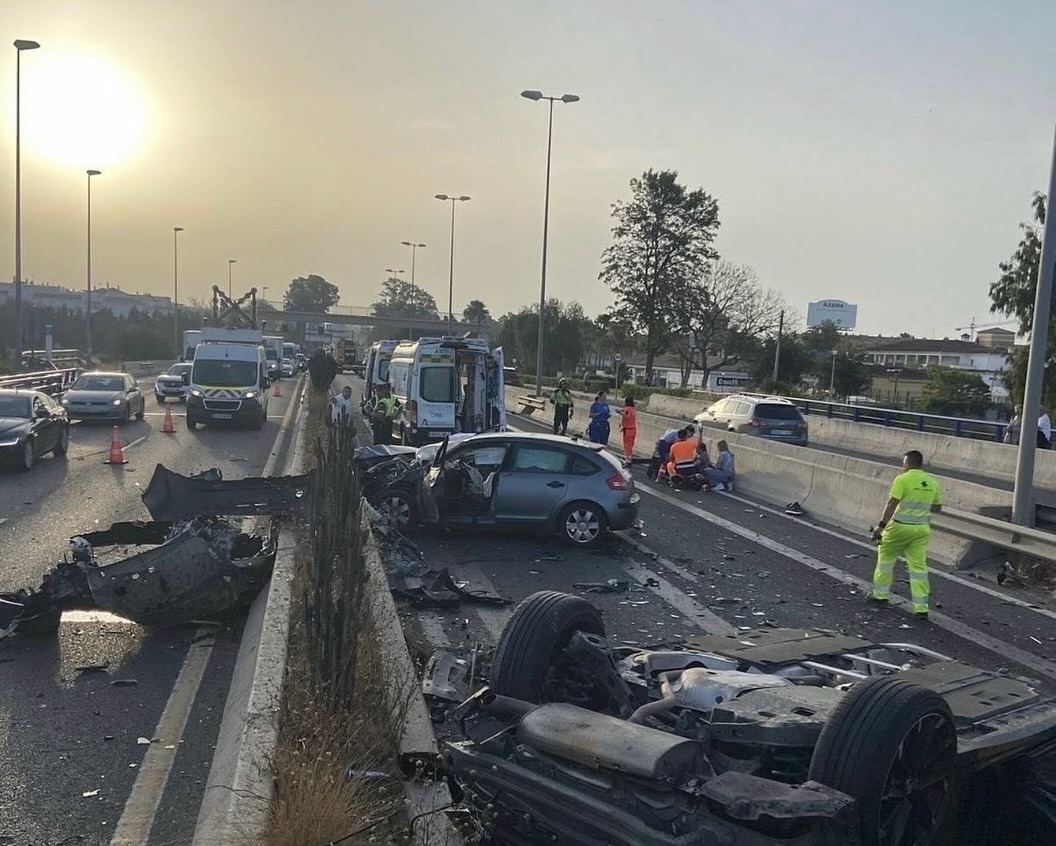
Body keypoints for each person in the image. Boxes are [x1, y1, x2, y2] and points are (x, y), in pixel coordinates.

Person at [870, 450, 943, 618]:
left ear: (908, 463)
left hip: (900, 527)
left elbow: (892, 503)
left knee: (886, 560)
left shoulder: (902, 479)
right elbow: (937, 507)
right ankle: (921, 607)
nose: (903, 466)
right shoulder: (932, 482)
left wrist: (880, 527)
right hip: (921, 529)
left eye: (904, 463)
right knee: (918, 568)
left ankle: (880, 595)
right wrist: (921, 503)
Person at [617, 396, 637, 465]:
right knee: (630, 444)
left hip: (628, 430)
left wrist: (620, 413)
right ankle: (627, 457)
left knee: (627, 445)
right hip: (633, 429)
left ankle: (628, 459)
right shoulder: (633, 409)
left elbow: (627, 417)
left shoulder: (628, 409)